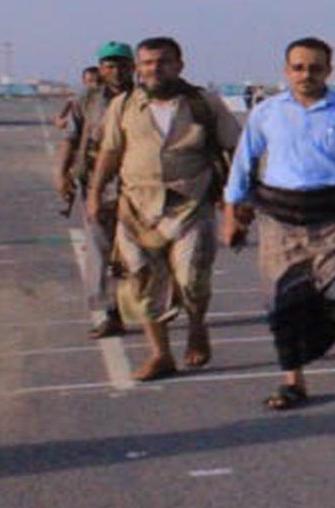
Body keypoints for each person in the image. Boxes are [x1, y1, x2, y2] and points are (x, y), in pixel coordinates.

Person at [223, 38, 335, 411]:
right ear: (287, 70)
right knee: (283, 303)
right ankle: (293, 380)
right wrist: (232, 211)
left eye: (315, 68)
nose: (306, 75)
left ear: (329, 71)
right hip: (278, 217)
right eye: (299, 67)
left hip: (333, 217)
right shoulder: (267, 112)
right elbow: (243, 161)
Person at [87, 37, 240, 381]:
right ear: (139, 68)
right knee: (142, 282)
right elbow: (110, 152)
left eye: (163, 62)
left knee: (191, 280)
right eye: (147, 63)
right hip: (136, 208)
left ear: (179, 65)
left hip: (190, 204)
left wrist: (237, 202)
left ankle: (197, 326)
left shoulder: (204, 104)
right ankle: (160, 354)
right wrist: (95, 193)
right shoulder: (124, 105)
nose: (154, 69)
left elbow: (236, 149)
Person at [54, 43, 133, 339]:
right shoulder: (87, 101)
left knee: (141, 252)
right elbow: (71, 139)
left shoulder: (144, 99)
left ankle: (149, 308)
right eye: (110, 65)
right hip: (98, 187)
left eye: (123, 65)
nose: (117, 71)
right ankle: (110, 312)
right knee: (99, 249)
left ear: (133, 67)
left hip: (139, 186)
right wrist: (61, 173)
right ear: (101, 69)